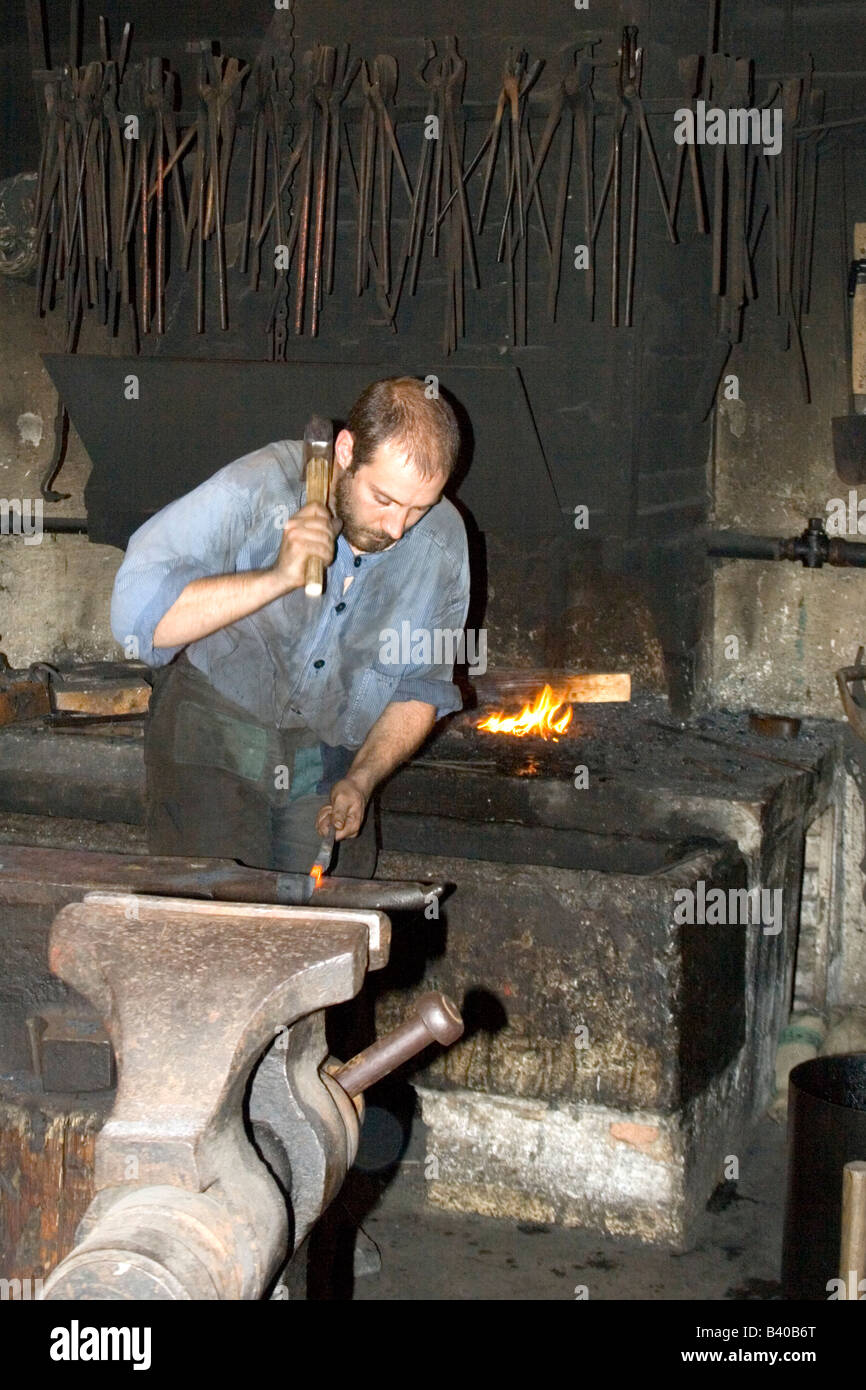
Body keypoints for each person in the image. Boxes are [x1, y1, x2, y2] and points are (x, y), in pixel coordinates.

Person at [110, 376, 470, 876]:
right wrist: (277, 577)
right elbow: (136, 618)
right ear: (346, 451)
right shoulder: (261, 485)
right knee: (215, 925)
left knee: (328, 926)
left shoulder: (444, 548)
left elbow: (420, 690)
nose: (396, 528)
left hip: (326, 760)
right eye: (384, 499)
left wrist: (363, 779)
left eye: (419, 508)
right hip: (215, 730)